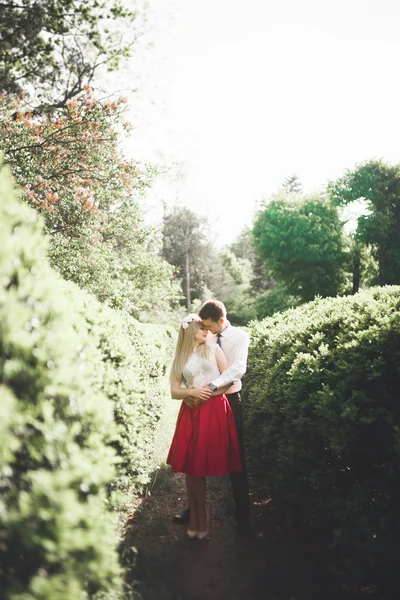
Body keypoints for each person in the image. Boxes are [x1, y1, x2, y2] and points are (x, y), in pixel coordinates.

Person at [173, 300, 251, 536]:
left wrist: (210, 389)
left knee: (235, 459)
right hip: (198, 403)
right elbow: (189, 365)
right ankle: (193, 511)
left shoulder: (239, 337)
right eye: (202, 327)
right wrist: (190, 393)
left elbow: (237, 369)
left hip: (228, 400)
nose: (206, 331)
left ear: (220, 321)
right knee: (194, 458)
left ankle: (243, 517)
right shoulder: (204, 336)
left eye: (208, 326)